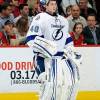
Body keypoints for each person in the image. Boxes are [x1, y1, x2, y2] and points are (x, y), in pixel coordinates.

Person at [26, 0, 82, 100]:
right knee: (49, 85)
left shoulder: (63, 20)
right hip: (44, 59)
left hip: (60, 60)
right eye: (51, 4)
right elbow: (30, 38)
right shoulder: (40, 18)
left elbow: (67, 39)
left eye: (55, 4)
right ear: (45, 6)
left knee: (68, 84)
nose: (54, 6)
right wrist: (46, 49)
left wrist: (71, 52)